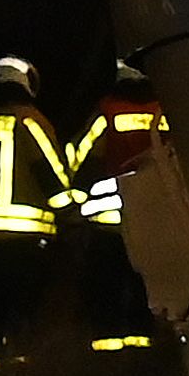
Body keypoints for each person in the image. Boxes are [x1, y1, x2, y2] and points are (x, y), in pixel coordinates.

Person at [0, 54, 83, 371]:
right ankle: (18, 361)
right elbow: (49, 171)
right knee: (21, 299)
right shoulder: (30, 121)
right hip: (23, 234)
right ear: (27, 83)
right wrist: (71, 213)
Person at [72, 61, 169, 355]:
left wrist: (74, 194)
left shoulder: (107, 110)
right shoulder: (162, 110)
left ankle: (107, 336)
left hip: (109, 215)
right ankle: (142, 334)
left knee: (107, 276)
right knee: (144, 276)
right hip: (151, 212)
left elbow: (79, 154)